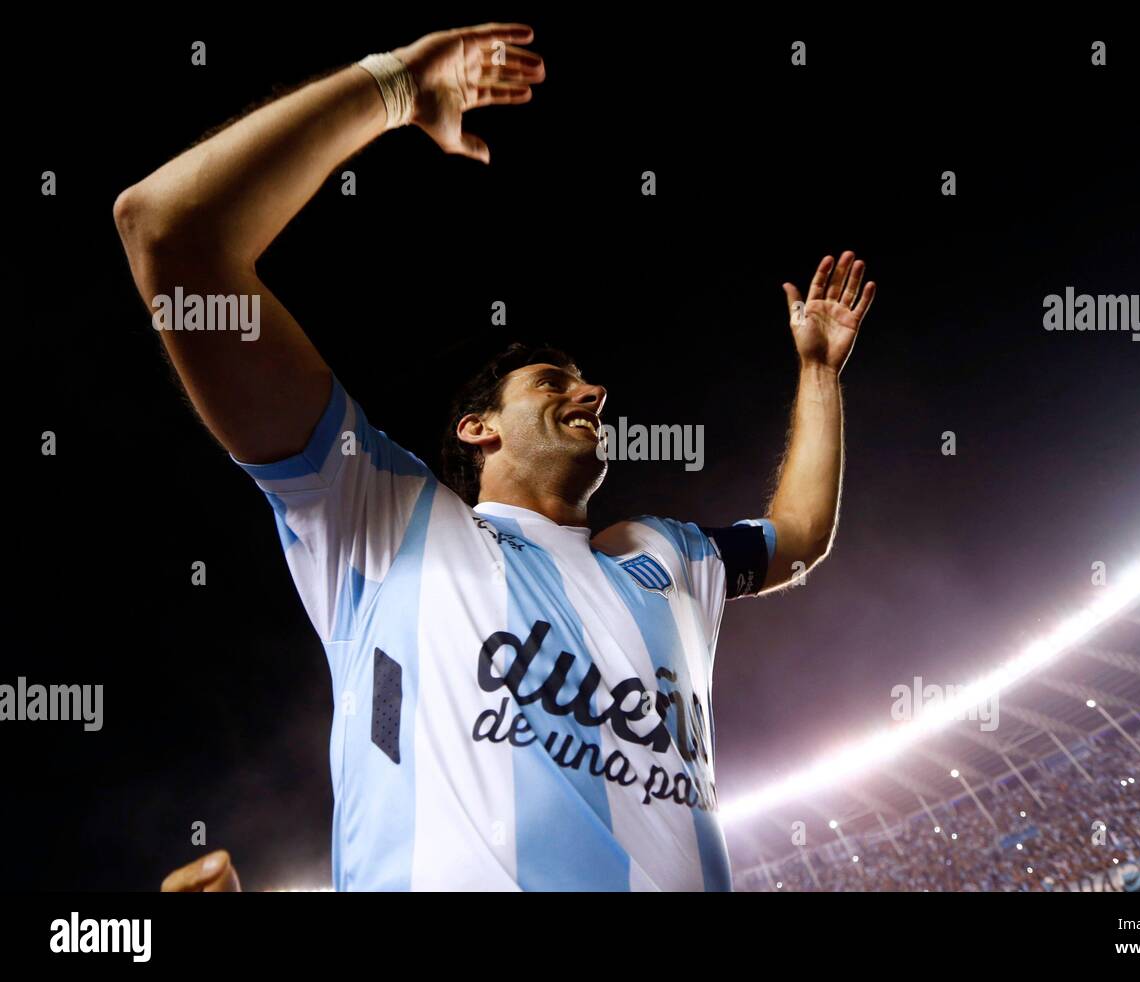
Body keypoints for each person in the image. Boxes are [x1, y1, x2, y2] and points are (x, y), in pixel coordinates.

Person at [117, 22, 875, 891]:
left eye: (592, 387)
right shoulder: (383, 514)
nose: (592, 396)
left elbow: (800, 534)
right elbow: (169, 231)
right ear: (479, 428)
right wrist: (394, 86)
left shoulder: (665, 558)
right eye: (556, 382)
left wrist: (819, 373)